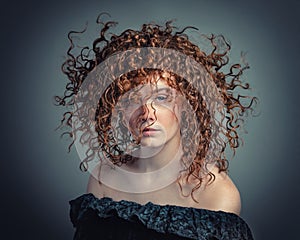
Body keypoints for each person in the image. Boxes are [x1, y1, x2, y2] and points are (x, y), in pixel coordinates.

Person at [56, 14, 256, 240]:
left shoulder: (217, 192)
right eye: (132, 100)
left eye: (161, 98)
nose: (147, 114)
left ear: (186, 105)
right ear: (118, 111)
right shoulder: (103, 179)